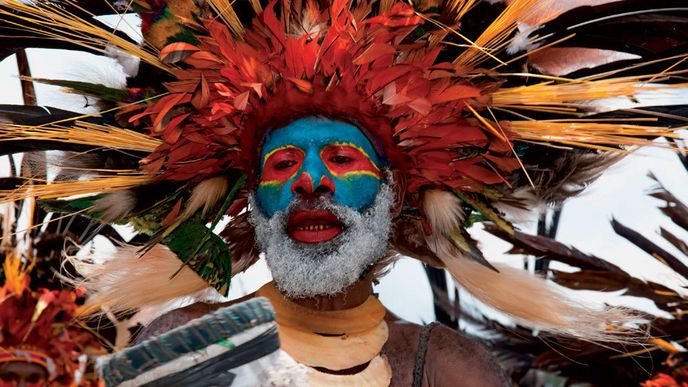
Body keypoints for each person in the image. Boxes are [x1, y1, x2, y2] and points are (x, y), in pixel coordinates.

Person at [0, 0, 686, 385]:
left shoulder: (447, 368)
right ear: (251, 203)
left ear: (394, 201)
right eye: (283, 165)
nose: (310, 181)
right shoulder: (185, 343)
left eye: (340, 157)